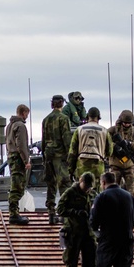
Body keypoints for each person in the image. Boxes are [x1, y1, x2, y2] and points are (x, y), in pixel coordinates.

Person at [88, 171, 134, 267]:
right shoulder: (129, 196)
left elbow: (94, 221)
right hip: (127, 240)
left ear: (103, 183)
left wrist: (98, 231)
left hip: (108, 240)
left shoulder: (101, 197)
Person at [57, 172, 96, 267]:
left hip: (88, 234)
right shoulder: (70, 193)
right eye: (86, 186)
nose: (88, 189)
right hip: (73, 233)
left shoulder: (92, 194)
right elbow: (60, 209)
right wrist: (75, 212)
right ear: (81, 181)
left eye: (90, 187)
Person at [41, 94, 72, 222]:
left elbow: (43, 140)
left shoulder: (46, 119)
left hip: (48, 154)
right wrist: (70, 155)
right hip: (60, 156)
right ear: (62, 103)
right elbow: (66, 138)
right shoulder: (64, 119)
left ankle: (51, 212)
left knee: (51, 184)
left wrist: (44, 154)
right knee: (64, 184)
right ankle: (64, 214)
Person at [68, 107, 113, 187]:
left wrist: (71, 170)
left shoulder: (79, 129)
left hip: (82, 165)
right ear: (98, 117)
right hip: (98, 164)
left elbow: (72, 151)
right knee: (96, 191)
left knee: (82, 189)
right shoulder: (105, 131)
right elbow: (110, 150)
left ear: (87, 116)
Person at [5, 105, 31, 225]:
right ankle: (13, 214)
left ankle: (14, 212)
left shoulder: (10, 125)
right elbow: (21, 145)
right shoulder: (20, 126)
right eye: (27, 114)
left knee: (15, 184)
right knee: (18, 186)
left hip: (11, 156)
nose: (27, 116)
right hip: (18, 159)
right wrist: (26, 161)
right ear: (23, 112)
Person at [108, 110, 134, 196]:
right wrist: (115, 146)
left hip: (129, 166)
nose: (127, 125)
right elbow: (105, 142)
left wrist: (130, 144)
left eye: (129, 123)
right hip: (115, 165)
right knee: (113, 191)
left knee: (131, 192)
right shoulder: (113, 130)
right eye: (125, 123)